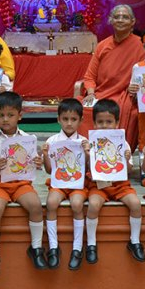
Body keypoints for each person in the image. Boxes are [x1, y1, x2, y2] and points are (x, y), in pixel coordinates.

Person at [0, 92, 45, 276]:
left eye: (10, 115)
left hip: (20, 183)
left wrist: (38, 163)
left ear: (20, 115)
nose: (5, 119)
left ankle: (36, 247)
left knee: (35, 206)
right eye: (1, 115)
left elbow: (33, 162)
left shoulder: (27, 138)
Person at [85, 99, 145, 265]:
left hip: (119, 184)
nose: (104, 126)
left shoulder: (122, 143)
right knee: (93, 205)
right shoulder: (90, 143)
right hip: (98, 184)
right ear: (94, 123)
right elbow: (84, 169)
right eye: (100, 122)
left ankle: (134, 241)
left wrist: (126, 160)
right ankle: (91, 243)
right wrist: (87, 156)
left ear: (117, 123)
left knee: (135, 204)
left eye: (109, 122)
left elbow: (128, 171)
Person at [81, 5, 145, 146]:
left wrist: (136, 88)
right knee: (84, 108)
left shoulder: (141, 45)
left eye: (125, 17)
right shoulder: (102, 46)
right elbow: (90, 76)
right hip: (100, 93)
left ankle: (119, 153)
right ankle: (88, 152)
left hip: (126, 94)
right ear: (111, 20)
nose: (120, 20)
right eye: (117, 17)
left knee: (125, 110)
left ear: (133, 22)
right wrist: (91, 93)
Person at [42, 99, 90, 270]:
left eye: (73, 119)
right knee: (51, 203)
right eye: (65, 119)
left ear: (81, 120)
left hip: (78, 183)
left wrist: (87, 153)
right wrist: (46, 155)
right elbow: (48, 170)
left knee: (77, 205)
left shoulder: (84, 141)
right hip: (59, 182)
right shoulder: (52, 141)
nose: (69, 123)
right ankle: (53, 247)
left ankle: (77, 248)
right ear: (58, 119)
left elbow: (89, 169)